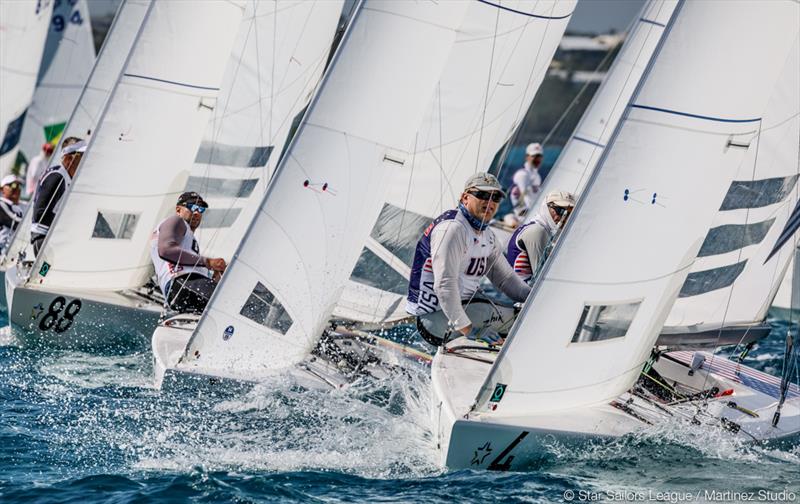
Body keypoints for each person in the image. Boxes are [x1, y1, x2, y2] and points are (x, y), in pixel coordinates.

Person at [406, 173, 531, 346]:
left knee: (529, 315)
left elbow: (506, 279)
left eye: (496, 197)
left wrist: (534, 297)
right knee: (525, 323)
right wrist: (470, 331)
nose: (490, 202)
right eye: (483, 195)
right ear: (465, 197)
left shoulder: (487, 235)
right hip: (435, 319)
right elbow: (444, 285)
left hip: (462, 310)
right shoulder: (453, 229)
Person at [150, 191, 227, 314]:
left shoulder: (187, 240)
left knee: (230, 305)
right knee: (232, 302)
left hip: (183, 289)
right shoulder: (175, 221)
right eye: (193, 207)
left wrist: (215, 275)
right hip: (182, 284)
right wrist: (208, 262)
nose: (197, 212)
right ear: (178, 209)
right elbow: (166, 251)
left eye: (201, 209)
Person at [30, 137, 85, 255]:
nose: (86, 160)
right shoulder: (57, 177)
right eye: (82, 156)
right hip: (44, 242)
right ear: (69, 158)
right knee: (44, 272)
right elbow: (40, 214)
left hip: (57, 241)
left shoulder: (69, 179)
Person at [506, 190, 575, 283]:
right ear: (546, 207)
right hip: (526, 295)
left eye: (569, 214)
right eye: (560, 210)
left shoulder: (537, 228)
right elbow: (542, 280)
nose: (564, 217)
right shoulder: (538, 231)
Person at [509, 142, 544, 217]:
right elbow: (525, 197)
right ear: (527, 157)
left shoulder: (537, 176)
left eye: (539, 156)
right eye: (534, 156)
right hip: (522, 216)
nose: (537, 159)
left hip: (533, 214)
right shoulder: (522, 174)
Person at [0, 175, 24, 252]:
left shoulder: (19, 208)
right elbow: (14, 222)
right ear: (2, 189)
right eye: (13, 185)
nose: (17, 189)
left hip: (12, 253)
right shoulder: (1, 204)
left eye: (19, 186)